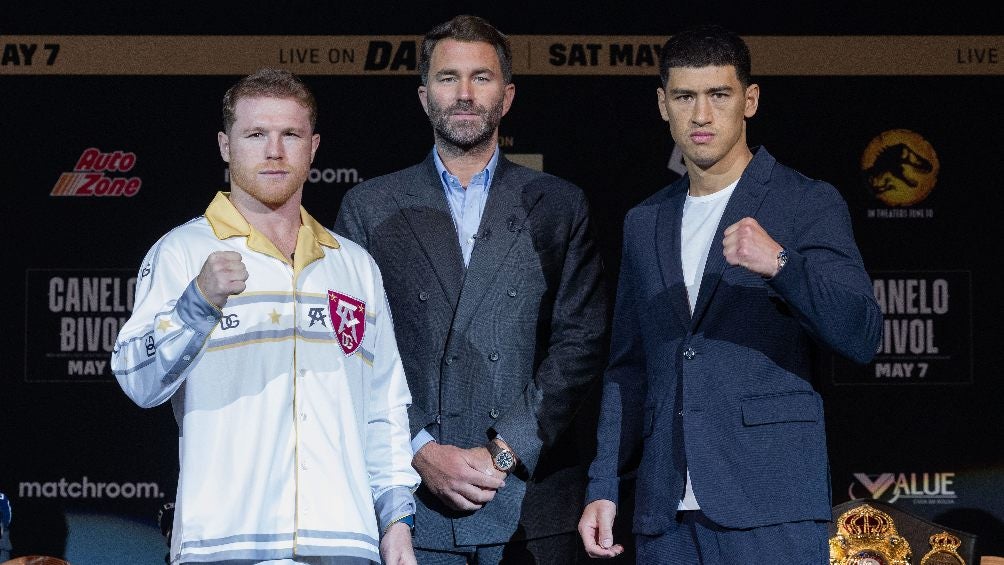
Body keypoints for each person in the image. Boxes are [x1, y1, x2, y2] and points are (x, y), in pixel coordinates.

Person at [578, 24, 882, 563]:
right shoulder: (644, 221)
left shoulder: (805, 202)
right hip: (664, 512)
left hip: (770, 507)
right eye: (685, 97)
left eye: (719, 95)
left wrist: (781, 265)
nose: (701, 115)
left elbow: (861, 333)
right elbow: (628, 367)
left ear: (750, 100)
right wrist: (603, 483)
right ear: (662, 104)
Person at [111, 68, 419, 565]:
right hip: (224, 544)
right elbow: (136, 380)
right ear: (225, 146)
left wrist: (396, 523)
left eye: (290, 135)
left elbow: (384, 408)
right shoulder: (183, 252)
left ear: (313, 147)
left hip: (344, 542)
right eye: (256, 134)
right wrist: (198, 303)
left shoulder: (353, 265)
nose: (274, 151)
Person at [334, 14, 609, 565]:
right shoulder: (369, 208)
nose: (464, 94)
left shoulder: (558, 205)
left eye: (481, 78)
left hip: (530, 501)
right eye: (447, 77)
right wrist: (418, 451)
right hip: (411, 506)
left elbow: (581, 342)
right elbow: (350, 353)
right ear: (422, 95)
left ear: (506, 96)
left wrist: (505, 452)